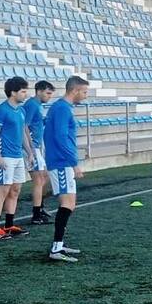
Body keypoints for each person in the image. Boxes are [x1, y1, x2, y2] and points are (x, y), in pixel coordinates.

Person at [44, 76, 89, 262]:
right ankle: (56, 248)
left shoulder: (61, 107)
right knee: (67, 204)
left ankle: (59, 245)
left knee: (69, 203)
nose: (85, 96)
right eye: (84, 92)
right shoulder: (62, 108)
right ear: (75, 90)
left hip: (61, 161)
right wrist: (73, 162)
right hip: (61, 162)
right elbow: (61, 138)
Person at [0, 76, 33, 240]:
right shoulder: (1, 110)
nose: (26, 94)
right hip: (6, 156)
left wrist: (29, 152)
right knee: (3, 190)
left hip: (18, 156)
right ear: (13, 92)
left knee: (15, 190)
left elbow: (22, 134)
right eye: (23, 91)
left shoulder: (21, 111)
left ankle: (9, 225)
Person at [22, 80, 55, 225]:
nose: (49, 96)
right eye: (47, 93)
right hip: (31, 148)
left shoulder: (37, 105)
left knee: (44, 177)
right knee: (39, 180)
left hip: (36, 147)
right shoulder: (31, 105)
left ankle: (40, 207)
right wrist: (30, 149)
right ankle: (36, 214)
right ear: (39, 91)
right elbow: (24, 126)